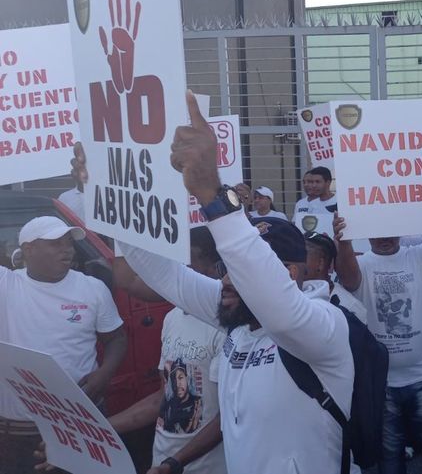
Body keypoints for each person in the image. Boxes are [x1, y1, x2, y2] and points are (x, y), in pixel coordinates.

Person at [120, 93, 354, 474]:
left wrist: (211, 193)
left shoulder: (323, 324)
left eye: (239, 269)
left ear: (288, 274)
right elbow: (163, 273)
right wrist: (109, 196)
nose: (224, 279)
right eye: (227, 266)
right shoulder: (236, 316)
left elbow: (277, 308)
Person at [334, 213, 422, 474]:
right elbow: (349, 280)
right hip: (381, 384)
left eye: (390, 230)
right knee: (390, 459)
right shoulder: (360, 263)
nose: (384, 238)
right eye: (377, 231)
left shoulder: (420, 255)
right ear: (366, 232)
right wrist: (344, 241)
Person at [0, 216, 127, 474]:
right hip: (20, 427)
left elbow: (116, 338)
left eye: (69, 242)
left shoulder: (92, 288)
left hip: (80, 421)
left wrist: (104, 373)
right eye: (55, 243)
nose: (67, 249)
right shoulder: (7, 284)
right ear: (28, 249)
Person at [106, 226, 226, 474]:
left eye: (191, 258)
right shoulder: (172, 318)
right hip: (162, 461)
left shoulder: (226, 327)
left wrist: (176, 462)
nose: (182, 266)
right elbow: (163, 398)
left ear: (216, 267)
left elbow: (227, 418)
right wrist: (98, 427)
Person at [303, 230, 367, 324]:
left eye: (301, 256)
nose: (296, 262)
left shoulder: (350, 307)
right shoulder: (294, 295)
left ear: (320, 263)